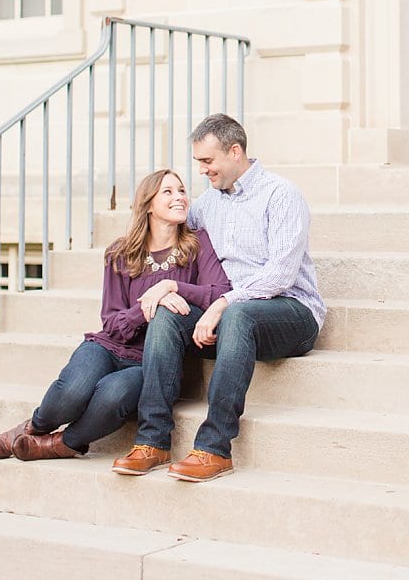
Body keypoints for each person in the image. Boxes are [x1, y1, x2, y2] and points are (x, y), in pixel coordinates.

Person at [111, 113, 324, 482]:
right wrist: (163, 285)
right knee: (167, 314)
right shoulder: (207, 206)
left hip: (291, 311)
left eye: (207, 162)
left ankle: (214, 448)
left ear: (235, 152)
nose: (202, 171)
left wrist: (223, 303)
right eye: (199, 163)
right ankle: (153, 440)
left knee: (240, 315)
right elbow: (164, 229)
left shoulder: (281, 194)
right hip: (227, 316)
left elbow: (281, 274)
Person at [0, 169, 229, 462]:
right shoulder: (121, 253)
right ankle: (34, 427)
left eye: (181, 190)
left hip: (151, 361)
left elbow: (219, 292)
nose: (179, 197)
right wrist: (148, 306)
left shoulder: (197, 245)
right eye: (168, 191)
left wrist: (173, 287)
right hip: (109, 346)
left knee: (111, 395)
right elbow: (112, 323)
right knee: (72, 392)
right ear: (148, 204)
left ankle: (62, 443)